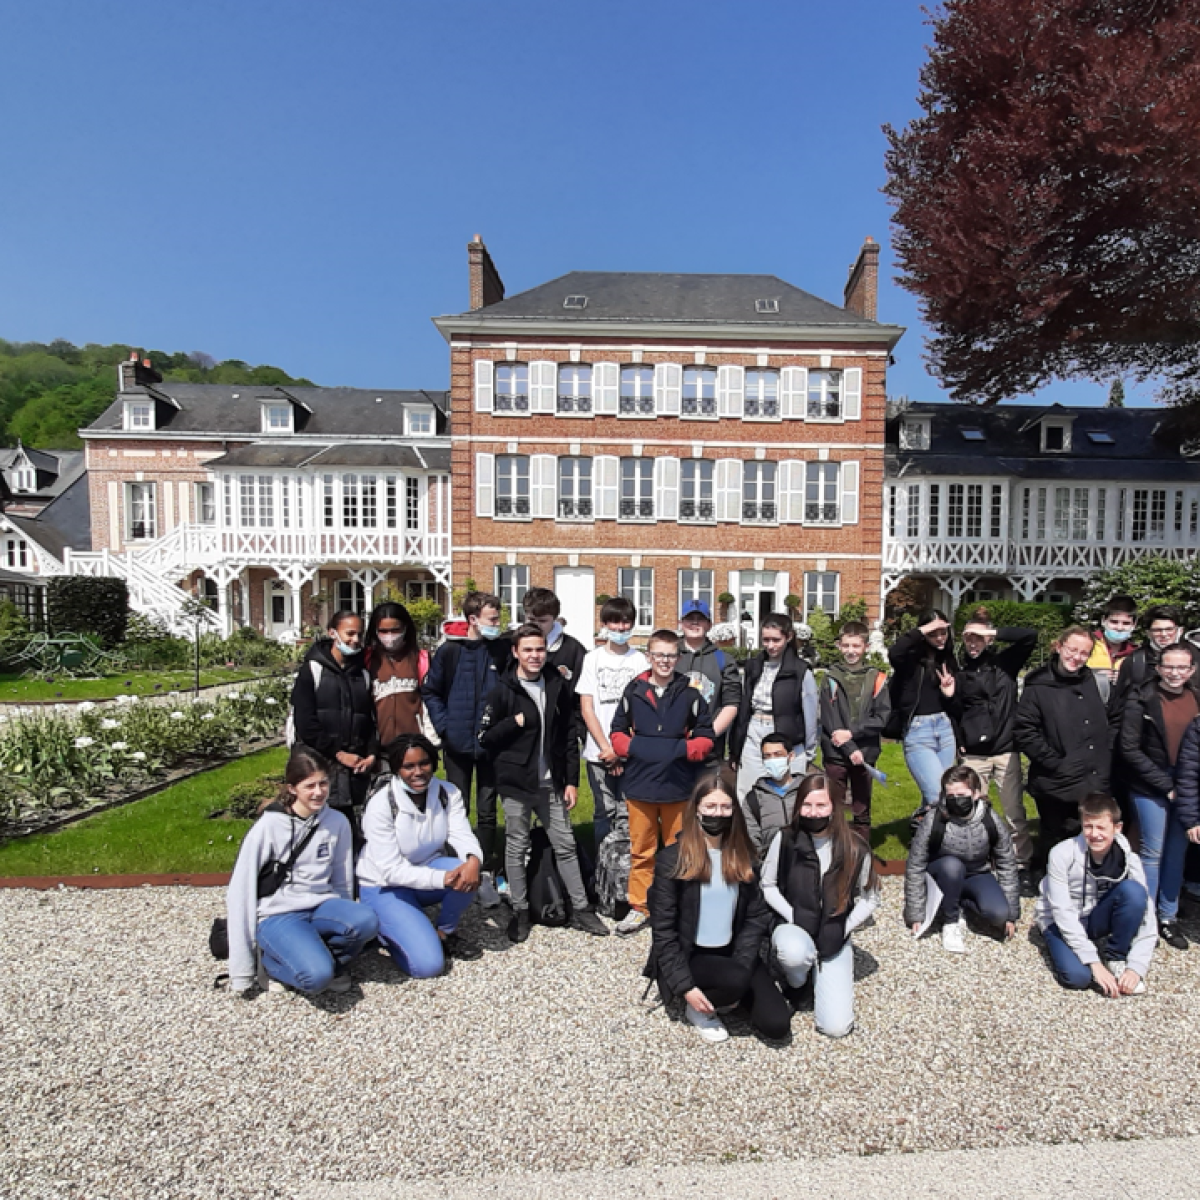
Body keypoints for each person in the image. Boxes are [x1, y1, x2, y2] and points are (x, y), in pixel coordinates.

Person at [478, 624, 609, 943]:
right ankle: (520, 910)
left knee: (564, 844)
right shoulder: (502, 690)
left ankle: (580, 908)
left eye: (539, 649)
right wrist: (514, 723)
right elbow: (485, 738)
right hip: (516, 783)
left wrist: (571, 781)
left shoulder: (556, 684)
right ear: (516, 653)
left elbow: (567, 735)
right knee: (516, 844)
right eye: (528, 650)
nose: (535, 655)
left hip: (551, 783)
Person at [644, 773, 790, 1044]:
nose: (718, 813)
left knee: (776, 1025)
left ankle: (729, 994)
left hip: (733, 952)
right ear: (696, 809)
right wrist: (684, 986)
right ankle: (698, 1005)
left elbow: (756, 917)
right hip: (692, 955)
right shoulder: (672, 861)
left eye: (725, 807)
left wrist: (745, 963)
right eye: (710, 806)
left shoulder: (743, 856)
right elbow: (663, 931)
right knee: (734, 981)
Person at [226, 747, 379, 996]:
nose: (318, 792)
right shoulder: (268, 827)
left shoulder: (338, 822)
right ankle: (272, 965)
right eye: (309, 786)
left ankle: (328, 959)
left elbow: (342, 880)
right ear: (292, 789)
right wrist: (241, 971)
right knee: (316, 979)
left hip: (321, 905)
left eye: (323, 784)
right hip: (278, 913)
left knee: (366, 920)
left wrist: (345, 916)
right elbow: (240, 891)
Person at [609, 629, 716, 937]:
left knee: (679, 850)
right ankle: (639, 906)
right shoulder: (634, 691)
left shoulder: (690, 693)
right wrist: (633, 749)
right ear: (649, 657)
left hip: (678, 785)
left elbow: (706, 736)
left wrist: (681, 750)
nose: (665, 661)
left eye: (670, 655)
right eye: (659, 655)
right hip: (640, 785)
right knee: (642, 851)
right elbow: (617, 731)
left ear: (678, 658)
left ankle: (676, 905)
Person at [762, 772, 879, 1039]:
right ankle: (797, 983)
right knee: (794, 951)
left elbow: (870, 897)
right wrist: (792, 915)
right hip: (796, 924)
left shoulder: (854, 846)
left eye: (821, 805)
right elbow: (767, 885)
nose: (814, 812)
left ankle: (821, 974)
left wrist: (844, 926)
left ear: (834, 807)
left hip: (833, 930)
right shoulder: (785, 839)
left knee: (836, 1028)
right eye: (807, 805)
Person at [357, 734, 484, 978]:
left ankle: (444, 933)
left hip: (426, 873)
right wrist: (444, 879)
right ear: (396, 769)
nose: (418, 772)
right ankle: (386, 931)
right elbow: (390, 870)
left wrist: (473, 860)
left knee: (466, 870)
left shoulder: (447, 793)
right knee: (428, 966)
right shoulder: (381, 805)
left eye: (424, 763)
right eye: (408, 766)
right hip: (385, 886)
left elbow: (461, 834)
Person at [946, 610, 1039, 895]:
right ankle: (979, 859)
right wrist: (959, 736)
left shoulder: (1005, 664)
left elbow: (1029, 637)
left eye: (979, 638)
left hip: (1005, 748)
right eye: (969, 638)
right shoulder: (959, 671)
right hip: (974, 751)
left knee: (1013, 810)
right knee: (974, 810)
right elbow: (955, 711)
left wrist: (992, 632)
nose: (973, 644)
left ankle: (1020, 863)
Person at [422, 591, 510, 886]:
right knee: (456, 808)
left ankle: (484, 869)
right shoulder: (450, 652)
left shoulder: (500, 650)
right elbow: (431, 691)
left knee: (487, 810)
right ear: (473, 619)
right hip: (457, 744)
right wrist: (446, 727)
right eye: (492, 619)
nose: (497, 624)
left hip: (490, 745)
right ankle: (456, 864)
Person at [1118, 643, 1200, 950]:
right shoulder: (1142, 698)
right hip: (1150, 785)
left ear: (1191, 670)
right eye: (1169, 666)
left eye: (1182, 667)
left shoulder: (1196, 697)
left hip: (1188, 784)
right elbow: (1129, 748)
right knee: (1152, 853)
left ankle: (1169, 915)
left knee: (1177, 853)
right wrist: (1164, 784)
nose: (1175, 673)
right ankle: (1146, 919)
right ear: (1158, 668)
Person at [1034, 792, 1156, 995]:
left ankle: (1116, 955)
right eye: (1088, 826)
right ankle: (1059, 944)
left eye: (1101, 827)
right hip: (1059, 920)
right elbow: (1061, 911)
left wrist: (1137, 966)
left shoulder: (1129, 858)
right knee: (1078, 978)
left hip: (1094, 917)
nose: (1094, 834)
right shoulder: (1061, 854)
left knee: (1134, 892)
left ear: (1117, 828)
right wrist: (1093, 962)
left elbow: (1148, 913)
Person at [1015, 625, 1113, 862]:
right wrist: (1057, 763)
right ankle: (1048, 882)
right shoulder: (1038, 685)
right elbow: (1025, 731)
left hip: (1093, 777)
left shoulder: (1095, 682)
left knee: (1090, 837)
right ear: (1059, 647)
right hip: (1056, 780)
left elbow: (1112, 721)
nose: (1076, 657)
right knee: (1055, 838)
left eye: (1083, 653)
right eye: (1072, 650)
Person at [903, 765, 1020, 953]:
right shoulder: (933, 820)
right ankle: (951, 921)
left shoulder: (991, 820)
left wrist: (1011, 914)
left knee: (998, 915)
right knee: (952, 866)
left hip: (977, 873)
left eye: (961, 794)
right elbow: (915, 864)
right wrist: (915, 914)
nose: (956, 800)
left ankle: (961, 903)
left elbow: (1006, 864)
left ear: (975, 794)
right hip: (942, 873)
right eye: (951, 796)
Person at [290, 610, 378, 840]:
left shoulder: (363, 674)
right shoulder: (312, 670)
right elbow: (306, 723)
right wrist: (338, 753)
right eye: (349, 633)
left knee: (349, 834)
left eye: (359, 634)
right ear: (332, 633)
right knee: (316, 834)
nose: (355, 640)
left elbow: (368, 720)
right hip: (319, 766)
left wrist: (371, 753)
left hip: (354, 771)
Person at [576, 596, 650, 855]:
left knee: (629, 810)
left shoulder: (640, 661)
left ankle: (628, 866)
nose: (620, 629)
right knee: (604, 810)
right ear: (605, 624)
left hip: (632, 749)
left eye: (625, 623)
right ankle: (603, 868)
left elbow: (645, 710)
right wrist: (606, 747)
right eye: (614, 623)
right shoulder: (592, 659)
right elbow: (587, 708)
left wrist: (623, 747)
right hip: (599, 751)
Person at [730, 613, 818, 802]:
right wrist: (736, 748)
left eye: (776, 640)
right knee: (747, 794)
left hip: (786, 737)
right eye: (766, 640)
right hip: (754, 733)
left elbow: (810, 715)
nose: (770, 646)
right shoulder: (753, 666)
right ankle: (750, 831)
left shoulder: (801, 671)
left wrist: (809, 751)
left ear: (789, 637)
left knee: (787, 796)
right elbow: (744, 708)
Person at [819, 620, 890, 841]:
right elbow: (829, 719)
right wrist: (849, 747)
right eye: (847, 646)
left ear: (866, 647)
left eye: (856, 646)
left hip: (865, 752)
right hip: (835, 753)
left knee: (861, 806)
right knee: (834, 805)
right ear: (839, 645)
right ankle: (834, 848)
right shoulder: (830, 677)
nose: (851, 651)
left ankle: (861, 852)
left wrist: (852, 735)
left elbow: (882, 717)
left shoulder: (877, 678)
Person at [887, 609, 958, 812]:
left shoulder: (949, 660)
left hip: (945, 730)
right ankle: (928, 834)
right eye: (933, 633)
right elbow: (895, 652)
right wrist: (923, 629)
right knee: (936, 795)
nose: (939, 638)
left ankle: (928, 837)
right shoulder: (910, 660)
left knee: (945, 794)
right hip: (919, 732)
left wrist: (949, 694)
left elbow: (956, 706)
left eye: (942, 632)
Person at [676, 598, 742, 761]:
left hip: (710, 749)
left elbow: (731, 703)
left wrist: (708, 736)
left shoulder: (723, 660)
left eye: (700, 619)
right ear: (681, 623)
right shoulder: (668, 655)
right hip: (673, 745)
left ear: (709, 624)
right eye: (690, 619)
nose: (695, 623)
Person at [364, 601, 429, 756]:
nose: (390, 636)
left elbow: (428, 701)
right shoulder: (366, 659)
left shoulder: (421, 659)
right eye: (383, 631)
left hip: (412, 745)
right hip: (377, 746)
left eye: (395, 630)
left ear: (405, 628)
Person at [1109, 603, 1188, 714]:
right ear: (1148, 633)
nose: (1164, 635)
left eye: (1169, 629)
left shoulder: (1195, 658)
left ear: (1180, 630)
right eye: (1157, 630)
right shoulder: (1135, 661)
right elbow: (1118, 705)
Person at [743, 733, 803, 858]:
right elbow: (752, 838)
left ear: (790, 756)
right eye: (767, 756)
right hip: (770, 863)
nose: (773, 760)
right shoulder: (753, 798)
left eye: (778, 754)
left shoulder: (807, 791)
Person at [522, 586, 587, 691]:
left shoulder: (573, 650)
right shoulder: (509, 643)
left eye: (542, 621)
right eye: (531, 619)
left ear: (555, 619)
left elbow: (582, 692)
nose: (536, 625)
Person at [1087, 594, 1139, 700]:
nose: (1119, 628)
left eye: (1126, 623)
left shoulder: (1137, 654)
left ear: (1134, 625)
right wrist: (1093, 675)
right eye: (1114, 622)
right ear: (1103, 621)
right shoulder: (1087, 644)